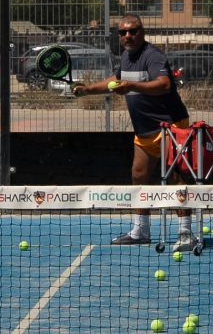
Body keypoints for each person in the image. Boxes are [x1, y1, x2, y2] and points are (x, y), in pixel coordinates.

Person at [73, 16, 199, 252]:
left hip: (171, 126)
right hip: (144, 131)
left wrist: (132, 87)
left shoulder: (153, 55)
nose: (127, 36)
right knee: (138, 176)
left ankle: (185, 233)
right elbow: (117, 80)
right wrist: (88, 90)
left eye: (132, 32)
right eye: (122, 33)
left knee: (177, 179)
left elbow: (164, 85)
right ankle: (141, 231)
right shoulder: (126, 57)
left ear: (142, 32)